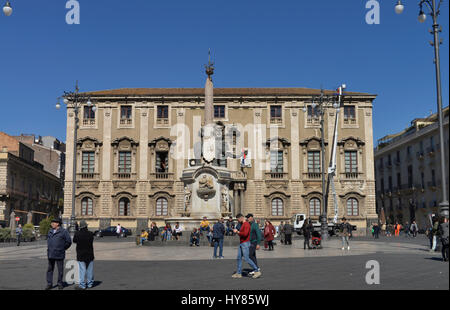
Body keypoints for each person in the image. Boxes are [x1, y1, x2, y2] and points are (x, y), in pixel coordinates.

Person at [232, 214, 261, 279]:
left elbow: (245, 234)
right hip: (242, 242)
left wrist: (237, 232)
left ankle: (256, 270)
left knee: (246, 258)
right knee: (239, 258)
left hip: (245, 243)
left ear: (241, 218)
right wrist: (238, 232)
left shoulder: (246, 224)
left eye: (238, 219)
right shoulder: (243, 224)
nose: (238, 221)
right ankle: (239, 273)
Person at [46, 218, 72, 290]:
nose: (52, 224)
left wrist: (63, 248)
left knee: (60, 270)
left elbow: (69, 242)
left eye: (53, 222)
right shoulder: (50, 231)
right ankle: (49, 284)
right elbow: (48, 241)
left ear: (58, 224)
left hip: (59, 254)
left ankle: (60, 283)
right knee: (50, 269)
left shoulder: (64, 231)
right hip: (51, 253)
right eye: (52, 222)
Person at [73, 220, 95, 290]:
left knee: (82, 270)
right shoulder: (90, 233)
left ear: (80, 227)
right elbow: (91, 240)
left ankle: (82, 285)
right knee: (89, 270)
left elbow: (74, 241)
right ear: (86, 226)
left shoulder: (77, 234)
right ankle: (90, 284)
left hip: (80, 254)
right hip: (90, 254)